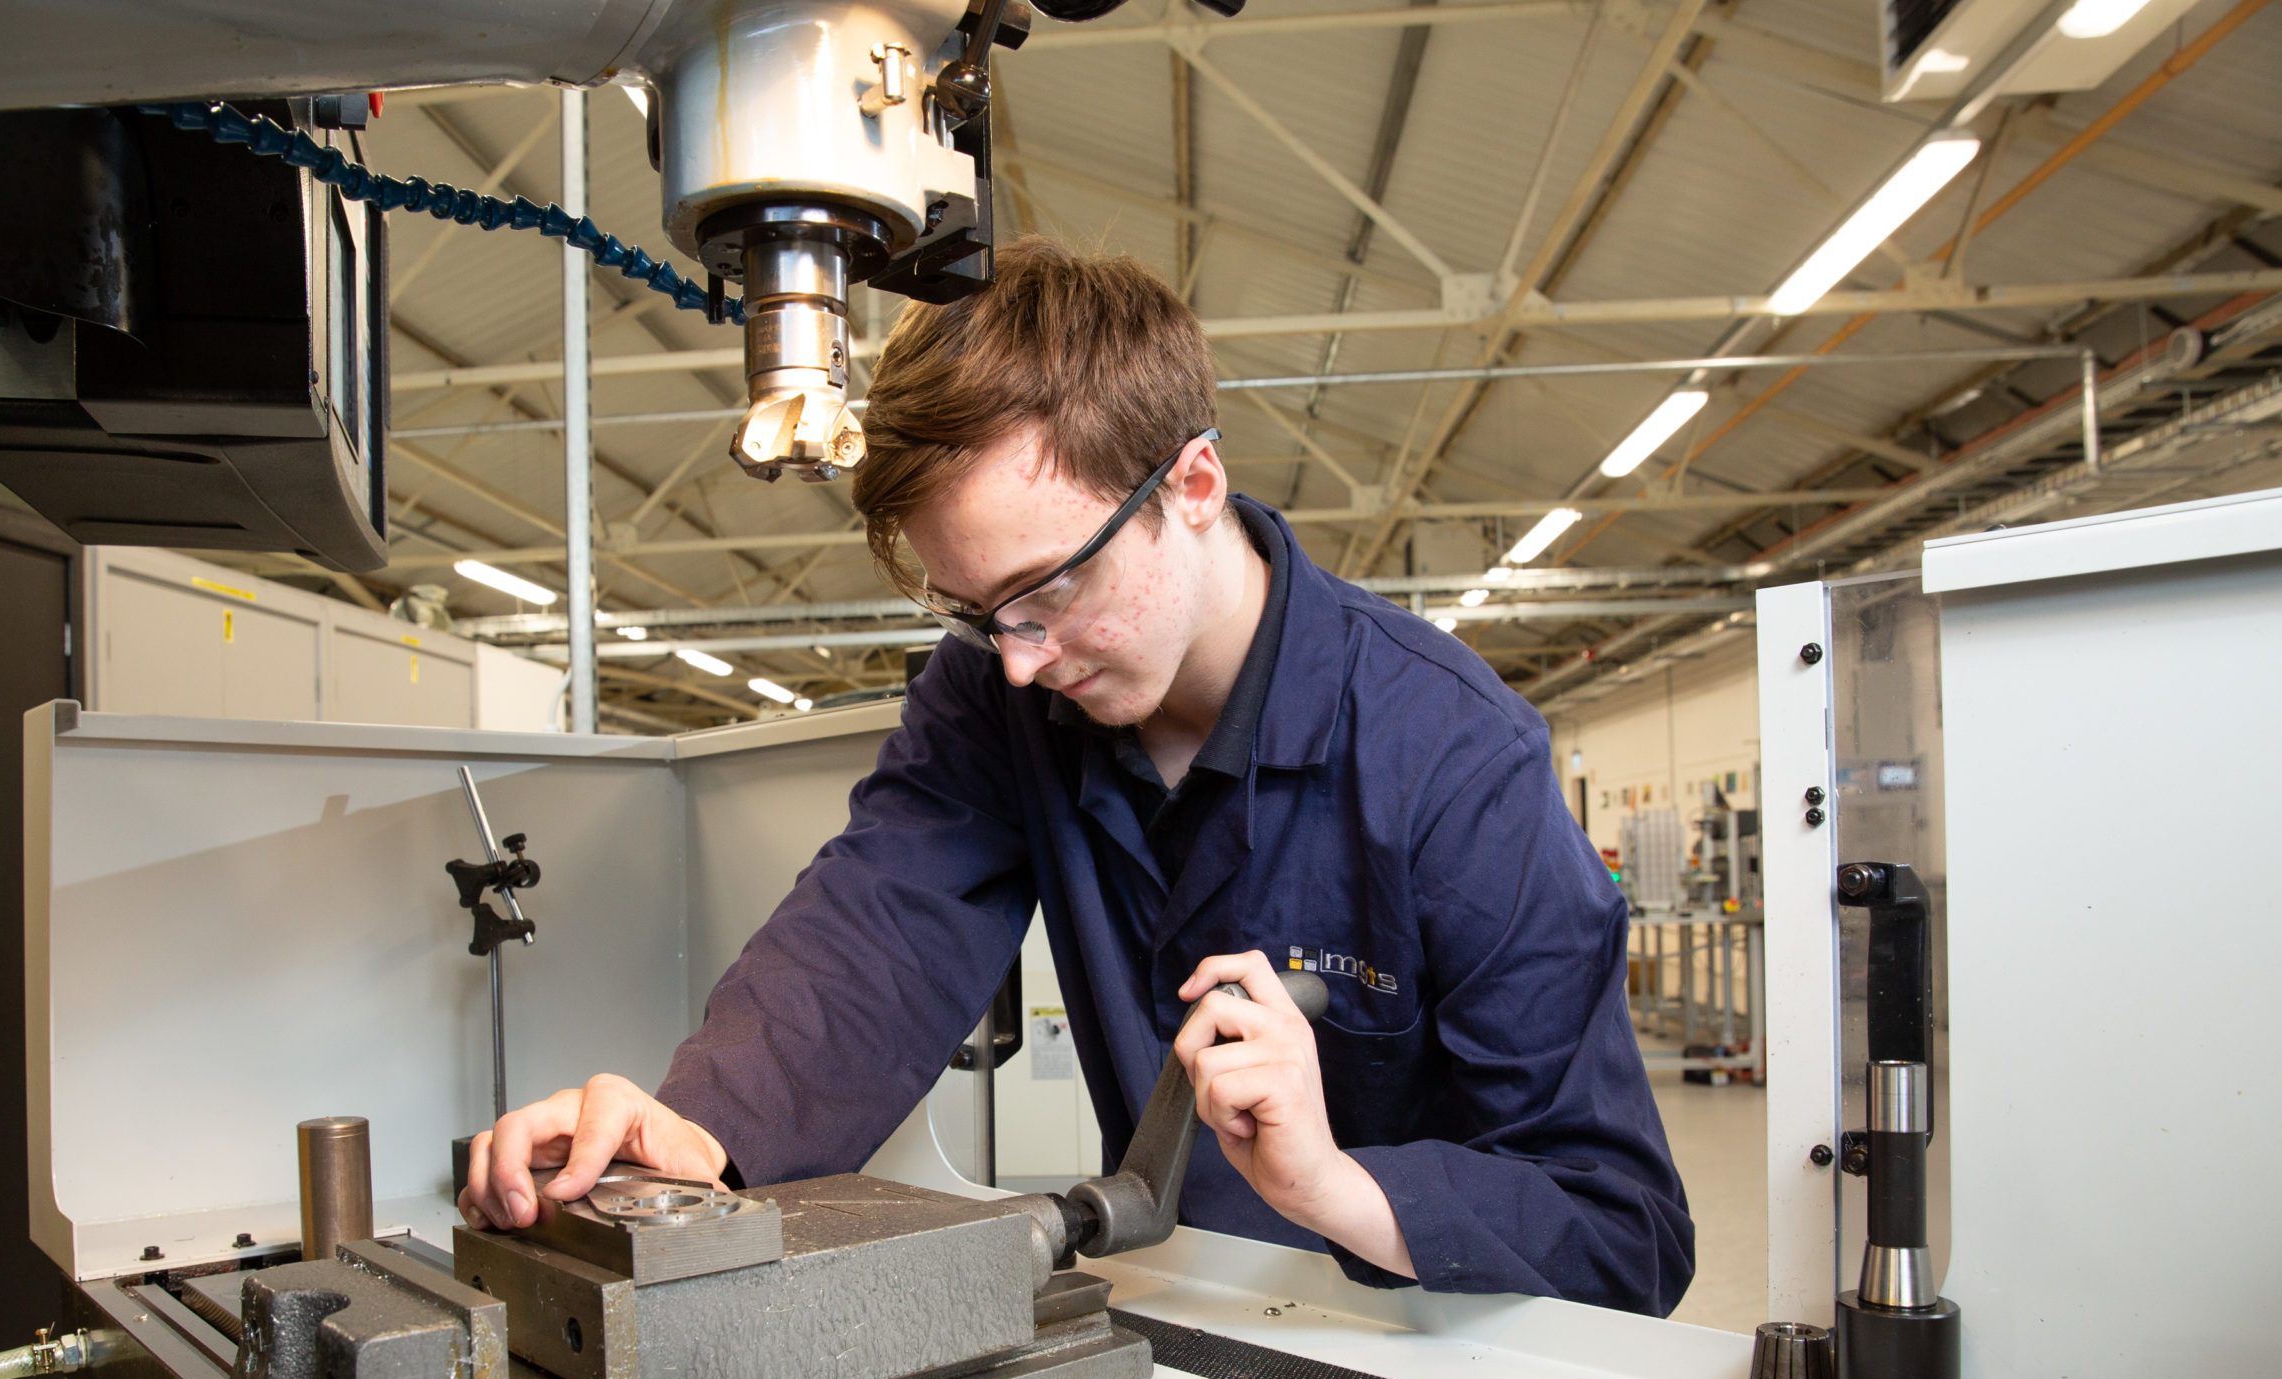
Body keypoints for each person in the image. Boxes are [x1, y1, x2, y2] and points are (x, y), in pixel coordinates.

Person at [460, 238, 1693, 1313]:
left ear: (1193, 484)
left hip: (1431, 1364)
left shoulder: (1452, 758)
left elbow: (1621, 1229)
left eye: (1048, 594)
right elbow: (873, 935)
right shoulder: (1000, 696)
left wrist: (1338, 1185)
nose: (1014, 663)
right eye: (972, 612)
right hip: (1173, 1336)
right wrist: (700, 1141)